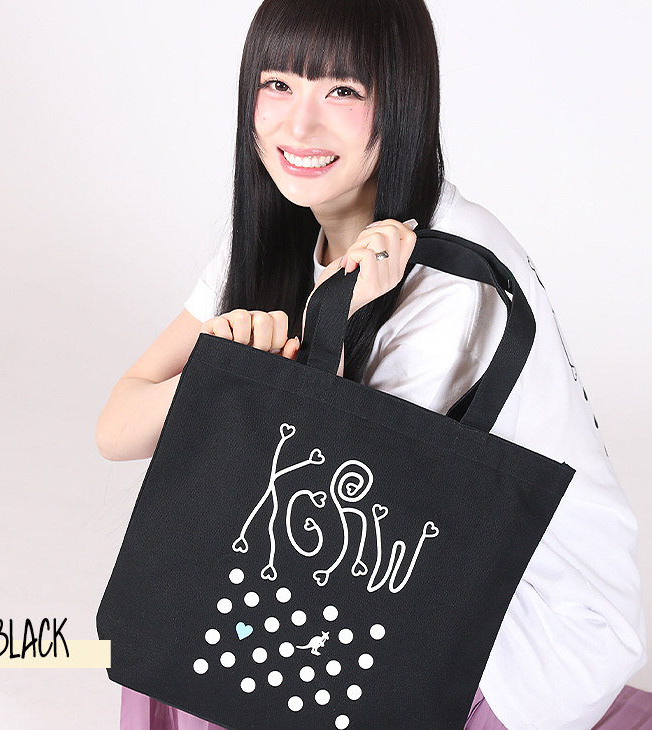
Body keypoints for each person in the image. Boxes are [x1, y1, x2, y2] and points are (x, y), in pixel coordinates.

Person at [96, 0, 651, 728]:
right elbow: (117, 429)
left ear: (402, 104)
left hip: (522, 618)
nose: (300, 126)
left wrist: (327, 322)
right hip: (395, 578)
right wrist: (217, 374)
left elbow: (345, 509)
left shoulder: (451, 282)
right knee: (178, 615)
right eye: (278, 84)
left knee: (214, 630)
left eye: (343, 91)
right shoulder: (278, 226)